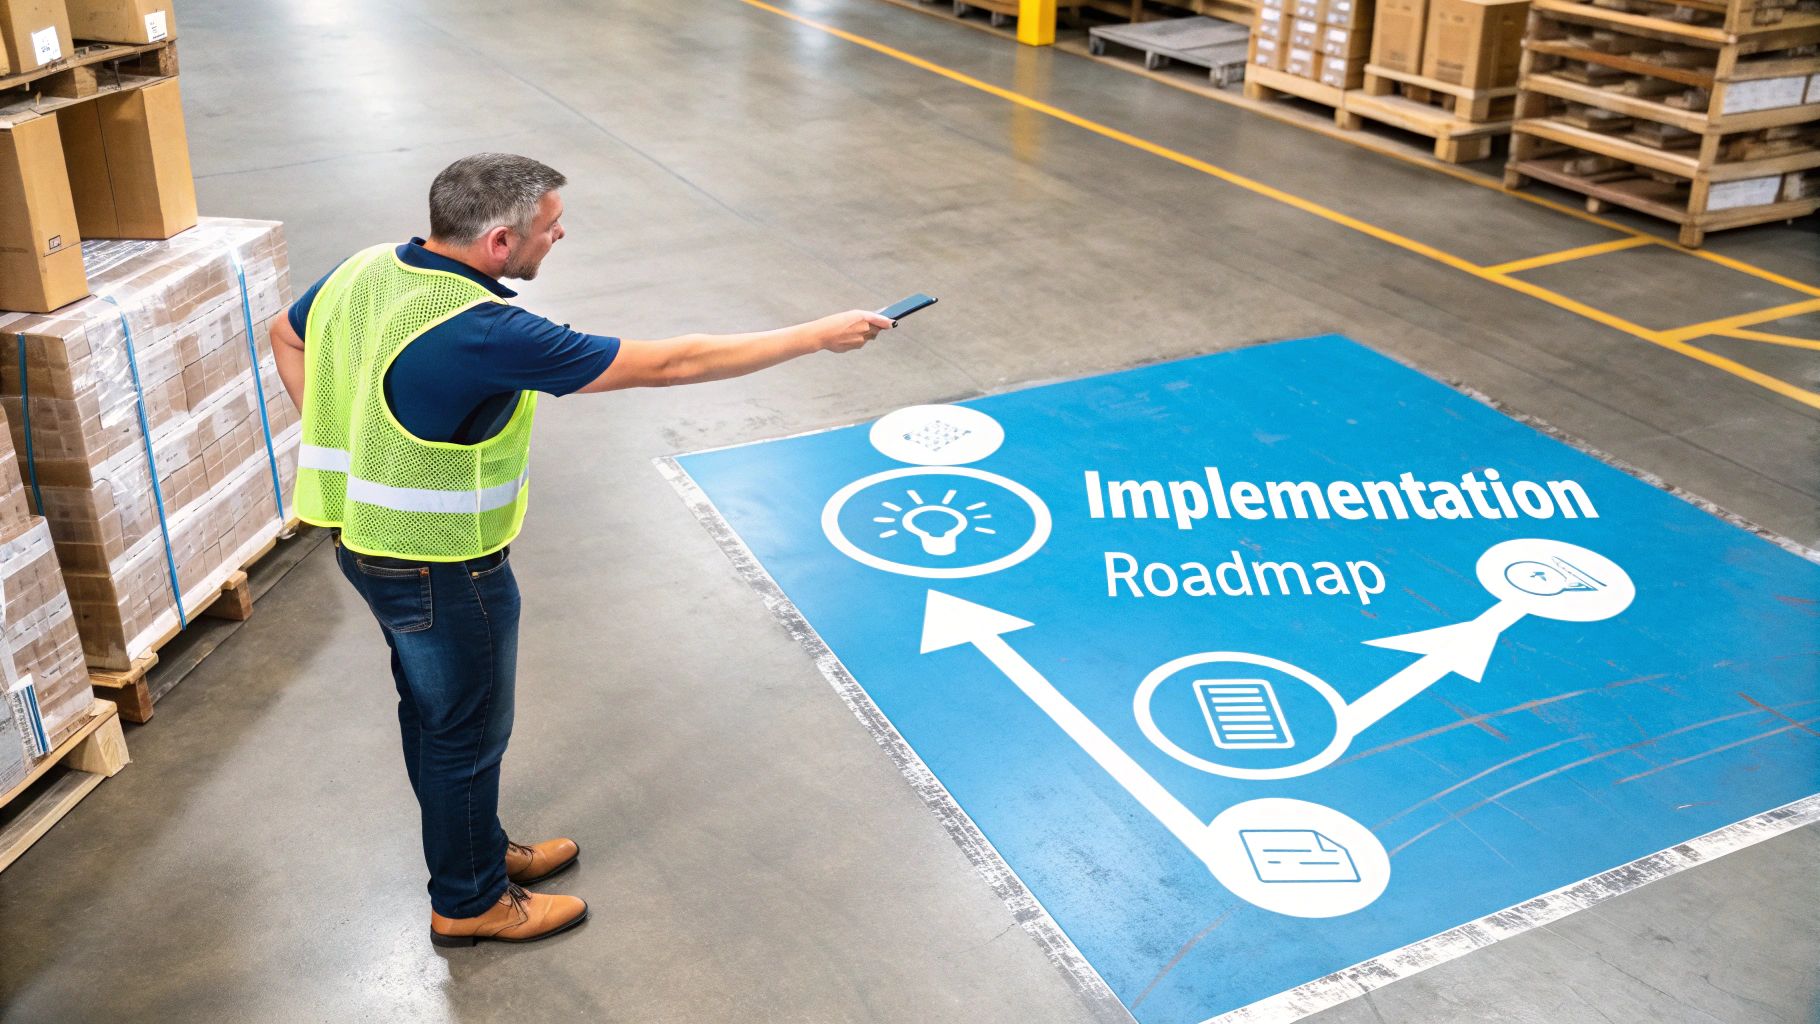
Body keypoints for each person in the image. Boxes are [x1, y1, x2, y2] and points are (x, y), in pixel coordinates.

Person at [270, 153, 893, 947]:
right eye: (549, 229)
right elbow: (673, 363)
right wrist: (816, 335)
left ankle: (480, 855)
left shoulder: (367, 269)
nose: (559, 236)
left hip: (367, 546)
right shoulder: (484, 331)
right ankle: (469, 904)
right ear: (498, 241)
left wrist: (347, 440)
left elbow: (283, 335)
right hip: (444, 567)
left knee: (433, 719)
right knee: (464, 733)